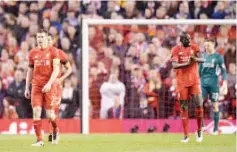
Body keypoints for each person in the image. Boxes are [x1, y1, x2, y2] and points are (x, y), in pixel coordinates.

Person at [24, 29, 60, 146]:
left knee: (50, 114)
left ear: (46, 38)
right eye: (38, 37)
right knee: (36, 112)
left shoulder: (53, 51)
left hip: (49, 87)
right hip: (36, 86)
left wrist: (49, 83)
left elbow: (56, 69)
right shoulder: (32, 53)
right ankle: (40, 140)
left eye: (42, 37)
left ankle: (55, 129)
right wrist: (27, 87)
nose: (39, 39)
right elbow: (30, 71)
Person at [171, 32, 204, 143]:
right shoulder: (175, 49)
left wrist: (194, 59)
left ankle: (199, 131)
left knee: (199, 104)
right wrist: (188, 63)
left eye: (190, 39)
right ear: (181, 40)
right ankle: (186, 135)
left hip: (194, 81)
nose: (189, 41)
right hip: (182, 83)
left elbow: (202, 59)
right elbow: (175, 65)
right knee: (184, 108)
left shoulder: (194, 47)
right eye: (187, 39)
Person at [47, 33, 72, 142]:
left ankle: (55, 132)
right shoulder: (40, 54)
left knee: (53, 110)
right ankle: (53, 131)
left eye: (49, 40)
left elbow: (69, 69)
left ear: (52, 41)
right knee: (48, 111)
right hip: (44, 86)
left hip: (55, 87)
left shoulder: (59, 53)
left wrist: (61, 79)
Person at [200, 39, 227, 135]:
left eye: (208, 45)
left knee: (215, 105)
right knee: (198, 104)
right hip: (203, 84)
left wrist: (224, 83)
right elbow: (199, 71)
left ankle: (215, 129)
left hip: (214, 85)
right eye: (205, 46)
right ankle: (202, 127)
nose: (206, 48)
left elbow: (224, 71)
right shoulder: (203, 56)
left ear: (213, 45)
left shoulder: (218, 57)